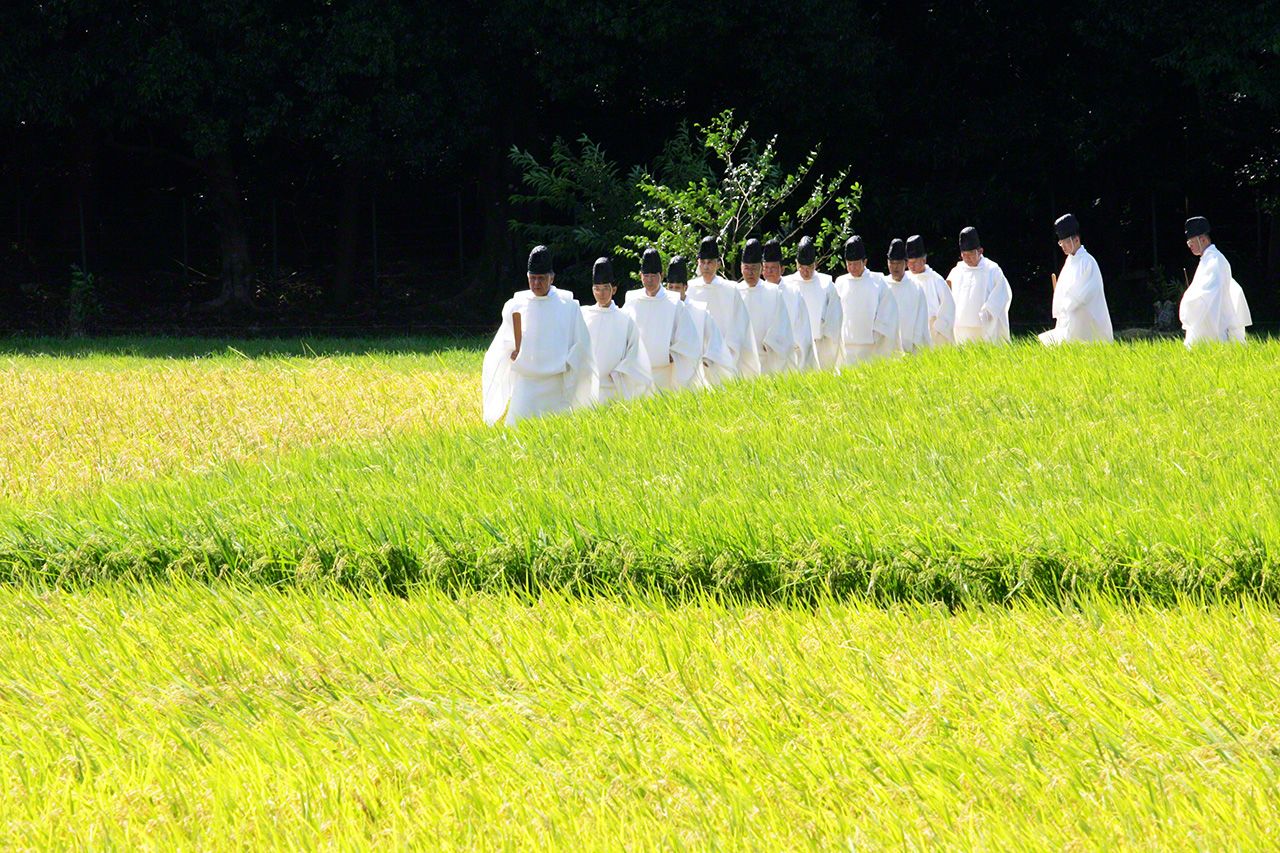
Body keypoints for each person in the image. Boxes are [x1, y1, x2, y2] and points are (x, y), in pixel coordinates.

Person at [482, 245, 593, 425]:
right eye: (532, 278)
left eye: (541, 278)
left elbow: (582, 346)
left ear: (552, 278)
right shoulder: (515, 305)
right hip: (526, 384)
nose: (536, 284)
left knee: (557, 438)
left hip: (556, 386)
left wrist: (568, 362)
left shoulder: (569, 307)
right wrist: (511, 352)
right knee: (516, 435)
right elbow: (503, 344)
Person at [622, 247, 701, 390]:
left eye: (654, 276)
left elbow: (689, 340)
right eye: (646, 276)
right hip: (638, 373)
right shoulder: (632, 300)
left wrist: (673, 354)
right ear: (640, 276)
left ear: (661, 275)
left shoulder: (674, 302)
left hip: (666, 373)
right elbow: (623, 333)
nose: (650, 280)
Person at [686, 236, 761, 377]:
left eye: (710, 262)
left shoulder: (731, 289)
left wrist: (722, 353)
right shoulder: (689, 289)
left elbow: (739, 325)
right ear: (698, 263)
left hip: (726, 356)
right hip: (696, 359)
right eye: (703, 262)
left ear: (718, 264)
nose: (706, 267)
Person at [581, 256, 652, 402]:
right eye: (597, 289)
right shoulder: (584, 315)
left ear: (614, 289)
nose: (601, 294)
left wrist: (618, 373)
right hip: (588, 386)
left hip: (615, 386)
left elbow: (634, 352)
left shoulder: (625, 318)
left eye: (605, 288)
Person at [1038, 213, 1113, 345]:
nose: (1062, 246)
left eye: (1065, 242)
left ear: (1076, 240)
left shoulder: (1087, 262)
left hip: (1086, 318)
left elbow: (1084, 294)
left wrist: (1066, 303)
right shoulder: (1070, 261)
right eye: (1060, 243)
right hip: (1071, 316)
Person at [1180, 216, 1253, 346]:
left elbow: (1210, 291)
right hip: (1211, 317)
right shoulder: (1207, 259)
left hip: (1217, 319)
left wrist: (1189, 299)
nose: (1190, 247)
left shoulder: (1215, 260)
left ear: (1202, 239)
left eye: (1191, 243)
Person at [664, 254, 736, 386]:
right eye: (670, 288)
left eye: (677, 288)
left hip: (695, 372)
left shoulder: (699, 310)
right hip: (667, 371)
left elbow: (715, 340)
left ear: (685, 288)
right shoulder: (663, 310)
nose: (674, 292)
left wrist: (707, 359)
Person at [833, 235, 899, 365]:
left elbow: (888, 311)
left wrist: (877, 335)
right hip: (847, 345)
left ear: (865, 262)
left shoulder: (878, 281)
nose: (852, 268)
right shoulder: (840, 282)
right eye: (849, 264)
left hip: (872, 346)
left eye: (856, 264)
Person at [735, 238, 795, 374]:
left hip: (768, 356)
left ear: (761, 269)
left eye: (754, 268)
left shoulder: (773, 292)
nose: (750, 273)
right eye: (747, 268)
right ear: (741, 268)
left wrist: (769, 343)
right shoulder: (735, 292)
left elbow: (782, 324)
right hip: (742, 358)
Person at [783, 235, 843, 369]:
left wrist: (827, 340)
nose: (806, 271)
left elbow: (835, 317)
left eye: (809, 267)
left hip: (820, 345)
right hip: (794, 348)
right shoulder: (787, 284)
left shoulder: (826, 284)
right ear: (797, 264)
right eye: (802, 267)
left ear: (815, 264)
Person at [947, 226, 1012, 343]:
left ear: (980, 251)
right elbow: (947, 293)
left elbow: (1002, 293)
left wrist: (987, 312)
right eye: (964, 254)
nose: (967, 258)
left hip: (986, 325)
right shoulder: (956, 271)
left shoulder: (992, 269)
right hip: (961, 326)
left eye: (971, 254)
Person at [763, 238, 815, 370]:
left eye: (773, 268)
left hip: (789, 354)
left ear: (782, 269)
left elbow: (803, 327)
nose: (769, 271)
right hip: (763, 355)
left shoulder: (793, 291)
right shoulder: (757, 292)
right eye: (766, 268)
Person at [905, 235, 955, 346]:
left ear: (923, 260)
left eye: (914, 262)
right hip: (911, 328)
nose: (911, 266)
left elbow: (949, 305)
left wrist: (939, 326)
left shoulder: (936, 280)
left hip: (933, 329)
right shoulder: (905, 279)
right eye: (909, 262)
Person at [884, 238, 930, 353]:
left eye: (898, 263)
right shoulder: (882, 286)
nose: (895, 267)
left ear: (905, 264)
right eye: (892, 263)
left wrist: (915, 344)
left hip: (911, 347)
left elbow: (921, 319)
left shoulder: (916, 288)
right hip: (886, 347)